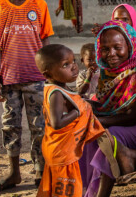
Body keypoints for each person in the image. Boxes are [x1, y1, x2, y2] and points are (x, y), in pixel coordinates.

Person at [82, 20, 136, 197]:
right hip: (120, 124)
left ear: (129, 45)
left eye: (117, 47)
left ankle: (100, 194)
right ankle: (83, 191)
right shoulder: (108, 71)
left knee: (107, 136)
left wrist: (97, 121)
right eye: (105, 49)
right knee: (86, 134)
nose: (111, 54)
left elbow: (132, 116)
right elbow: (107, 105)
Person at [0, 0, 53, 190]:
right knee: (10, 126)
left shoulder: (39, 5)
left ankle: (40, 172)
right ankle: (14, 172)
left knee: (40, 126)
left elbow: (46, 41)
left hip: (36, 78)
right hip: (8, 79)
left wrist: (51, 73)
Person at [35, 44, 106, 197]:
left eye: (73, 61)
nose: (73, 67)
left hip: (61, 150)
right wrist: (77, 112)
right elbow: (57, 122)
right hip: (62, 153)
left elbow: (77, 97)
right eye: (65, 65)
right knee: (66, 190)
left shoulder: (61, 88)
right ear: (48, 75)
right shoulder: (55, 93)